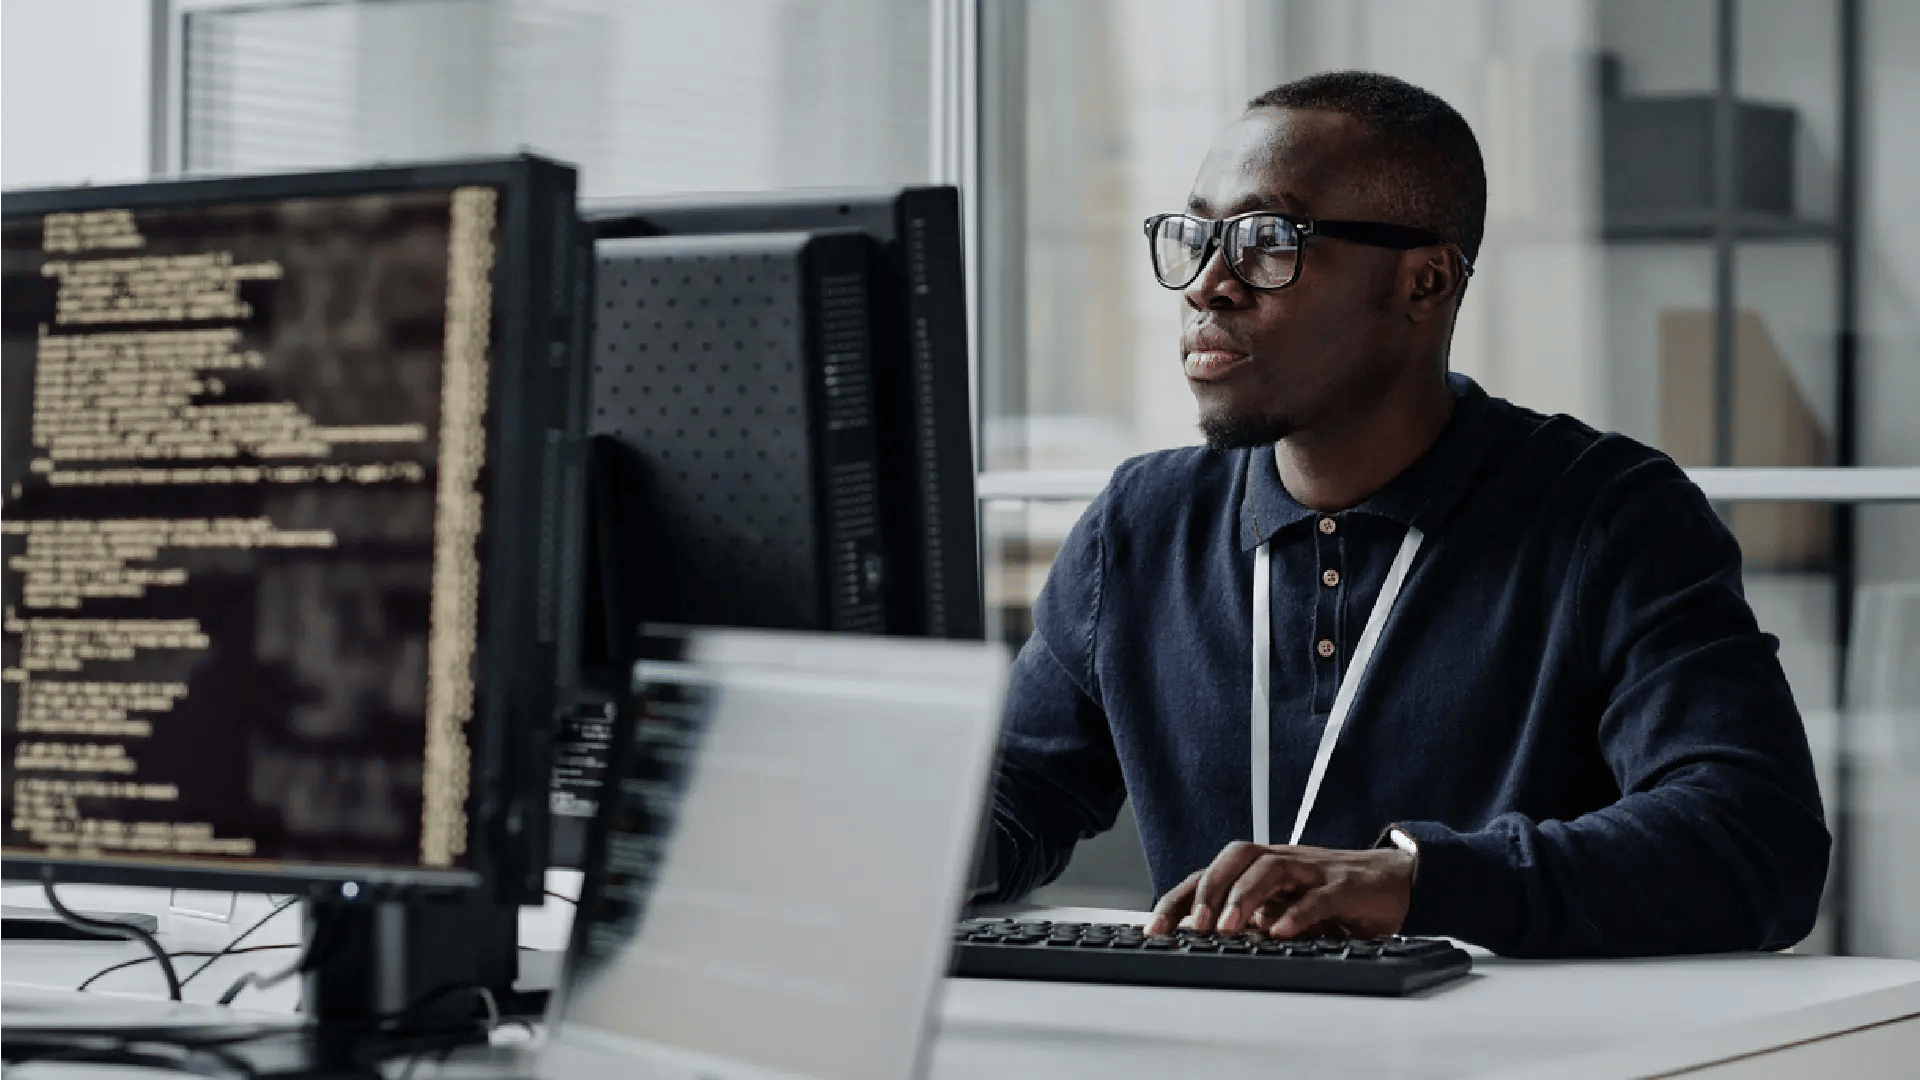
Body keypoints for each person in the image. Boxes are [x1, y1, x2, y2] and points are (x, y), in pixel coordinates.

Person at [985, 71, 1830, 958]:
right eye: (1197, 237)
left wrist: (1417, 884)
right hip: (1215, 1028)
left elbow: (1755, 838)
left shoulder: (1610, 517)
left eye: (1269, 240)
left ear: (1425, 282)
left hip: (1510, 1035)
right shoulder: (1140, 526)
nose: (1208, 284)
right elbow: (1010, 805)